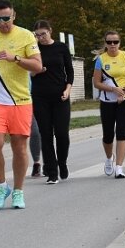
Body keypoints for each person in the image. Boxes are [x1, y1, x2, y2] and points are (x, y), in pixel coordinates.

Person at [0, 0, 42, 210]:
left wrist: (16, 58)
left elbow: (38, 66)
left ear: (14, 16)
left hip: (20, 100)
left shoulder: (26, 35)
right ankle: (1, 186)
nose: (2, 23)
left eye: (6, 18)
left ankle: (18, 191)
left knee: (19, 148)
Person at [31, 20, 73, 184]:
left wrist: (68, 89)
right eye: (37, 35)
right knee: (45, 134)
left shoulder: (61, 48)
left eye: (43, 34)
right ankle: (52, 171)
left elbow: (69, 71)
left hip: (60, 95)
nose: (41, 38)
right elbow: (29, 73)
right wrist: (37, 70)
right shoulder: (34, 50)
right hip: (40, 96)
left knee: (62, 133)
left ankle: (62, 162)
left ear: (50, 31)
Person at [93, 30, 125, 179]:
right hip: (107, 101)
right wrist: (113, 89)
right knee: (108, 135)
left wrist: (123, 91)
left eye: (115, 42)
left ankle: (119, 167)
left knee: (121, 132)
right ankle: (108, 158)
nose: (112, 45)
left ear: (119, 43)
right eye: (109, 42)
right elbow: (96, 83)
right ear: (105, 43)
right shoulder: (101, 59)